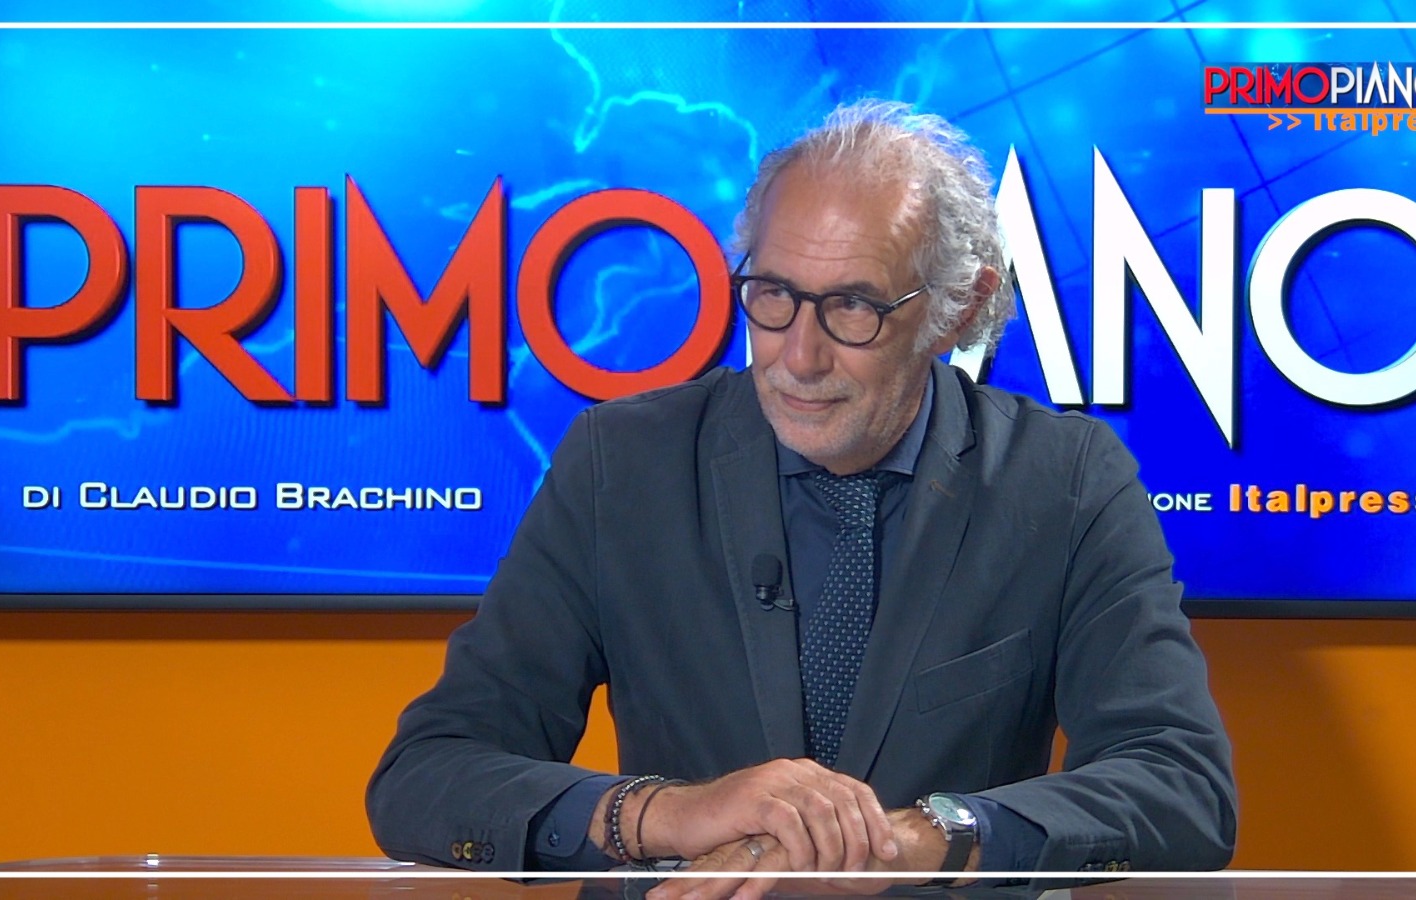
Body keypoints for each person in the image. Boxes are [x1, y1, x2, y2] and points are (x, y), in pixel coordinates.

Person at [367, 99, 1236, 894]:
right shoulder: (619, 465)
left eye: (854, 307)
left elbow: (1182, 785)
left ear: (960, 308)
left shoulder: (1066, 482)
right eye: (774, 296)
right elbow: (428, 774)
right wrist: (671, 814)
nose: (798, 357)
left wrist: (915, 839)